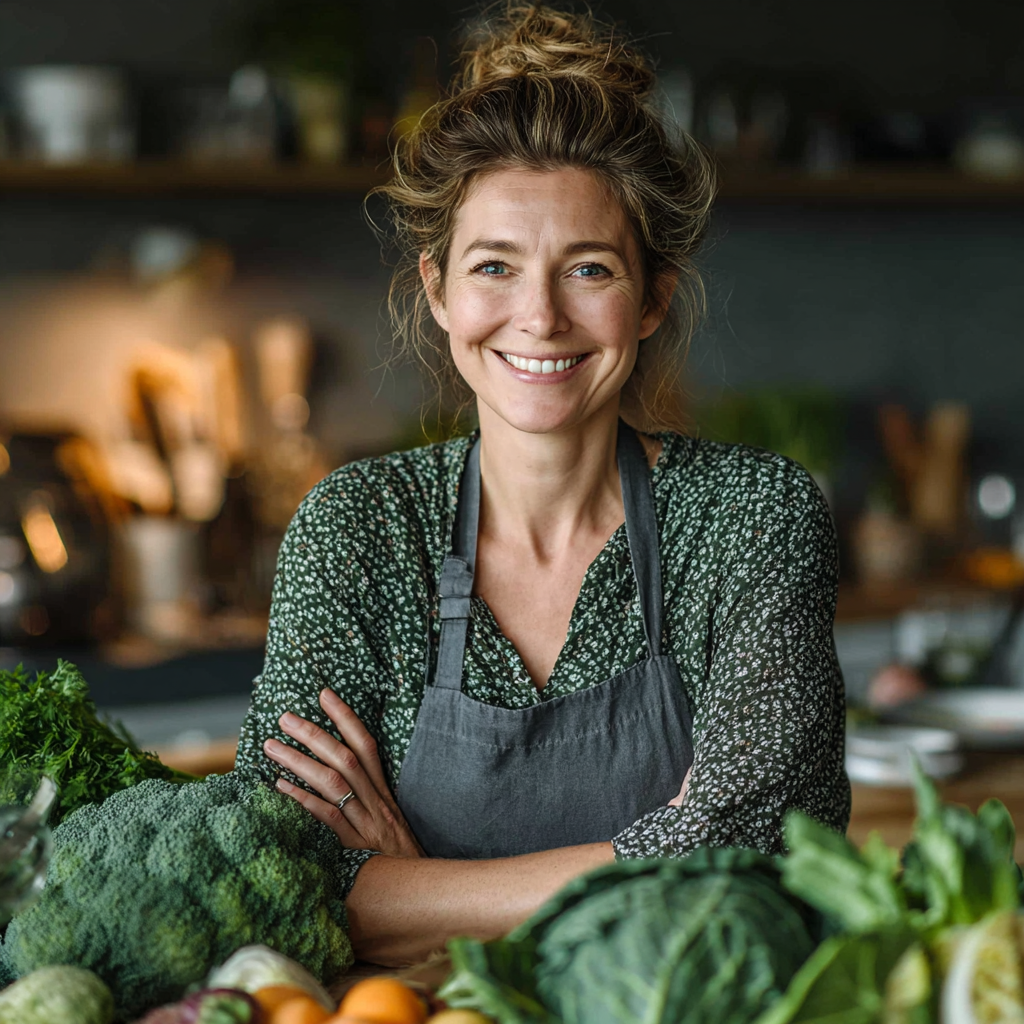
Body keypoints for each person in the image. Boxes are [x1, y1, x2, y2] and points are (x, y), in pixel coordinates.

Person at [235, 3, 850, 967]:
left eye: (589, 269)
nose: (539, 316)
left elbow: (763, 853)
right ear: (439, 291)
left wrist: (411, 887)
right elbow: (271, 871)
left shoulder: (748, 518)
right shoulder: (360, 528)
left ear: (651, 297)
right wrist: (658, 850)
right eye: (495, 266)